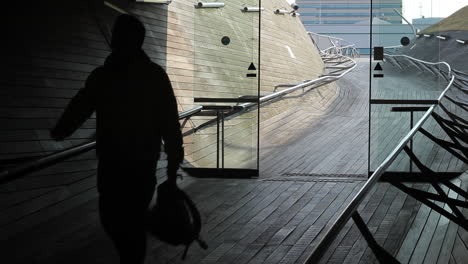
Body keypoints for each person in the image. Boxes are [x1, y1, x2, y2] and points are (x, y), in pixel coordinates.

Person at [50, 14, 184, 264]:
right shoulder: (155, 76)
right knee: (133, 219)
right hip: (143, 163)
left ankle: (129, 258)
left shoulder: (104, 76)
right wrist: (174, 162)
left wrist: (61, 130)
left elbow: (81, 105)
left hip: (111, 162)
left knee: (112, 217)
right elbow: (169, 124)